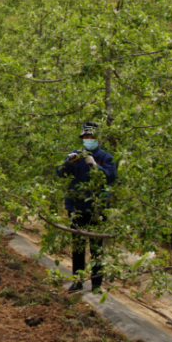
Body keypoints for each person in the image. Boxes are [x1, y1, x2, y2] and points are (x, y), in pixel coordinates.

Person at [55, 121, 117, 294]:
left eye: (91, 137)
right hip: (76, 207)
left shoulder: (105, 157)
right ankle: (78, 281)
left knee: (96, 247)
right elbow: (60, 172)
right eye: (86, 137)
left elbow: (111, 177)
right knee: (78, 246)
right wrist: (67, 162)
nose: (88, 140)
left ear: (97, 138)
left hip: (97, 209)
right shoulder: (76, 156)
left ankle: (96, 285)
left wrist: (95, 166)